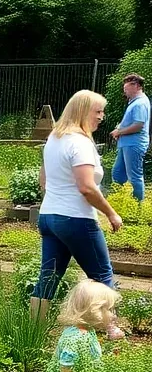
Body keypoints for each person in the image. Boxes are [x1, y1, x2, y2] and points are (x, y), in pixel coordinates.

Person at [31, 90, 124, 337]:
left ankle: (33, 331)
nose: (102, 117)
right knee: (102, 274)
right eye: (98, 111)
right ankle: (112, 328)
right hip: (77, 218)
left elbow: (43, 180)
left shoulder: (55, 138)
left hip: (49, 216)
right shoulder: (80, 142)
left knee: (48, 277)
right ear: (83, 111)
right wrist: (111, 213)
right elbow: (86, 187)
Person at [41, 279, 120, 372]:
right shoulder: (76, 337)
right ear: (95, 310)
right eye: (110, 309)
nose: (113, 315)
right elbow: (65, 369)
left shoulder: (87, 331)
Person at [110, 73, 150, 201]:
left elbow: (138, 125)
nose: (125, 91)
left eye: (126, 88)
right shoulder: (134, 103)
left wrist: (119, 132)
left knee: (134, 176)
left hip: (134, 144)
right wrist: (119, 129)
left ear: (136, 86)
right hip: (126, 144)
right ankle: (119, 201)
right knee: (117, 174)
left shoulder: (140, 103)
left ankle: (138, 209)